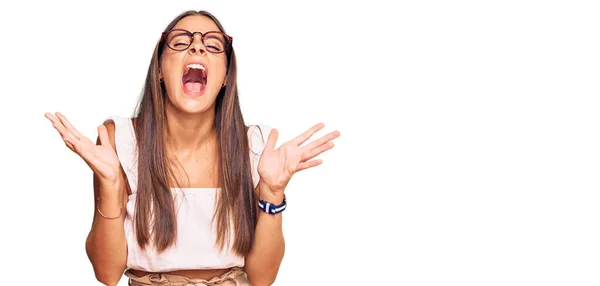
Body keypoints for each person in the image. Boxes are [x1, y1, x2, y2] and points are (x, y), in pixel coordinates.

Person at [44, 10, 340, 286]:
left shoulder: (257, 148)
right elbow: (107, 273)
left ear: (225, 78)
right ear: (159, 69)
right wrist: (110, 184)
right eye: (181, 41)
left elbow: (263, 277)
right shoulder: (118, 141)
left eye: (213, 44)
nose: (197, 47)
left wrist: (272, 193)